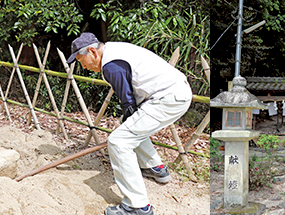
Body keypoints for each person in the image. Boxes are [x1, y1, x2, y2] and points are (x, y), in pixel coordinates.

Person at [68, 32, 193, 215]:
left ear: (93, 52)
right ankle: (155, 168)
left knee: (118, 141)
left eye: (81, 61)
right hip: (174, 93)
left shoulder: (111, 65)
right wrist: (128, 117)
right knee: (128, 125)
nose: (84, 67)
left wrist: (128, 115)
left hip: (168, 98)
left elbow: (127, 100)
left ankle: (138, 206)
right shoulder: (114, 51)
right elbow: (129, 103)